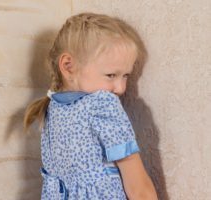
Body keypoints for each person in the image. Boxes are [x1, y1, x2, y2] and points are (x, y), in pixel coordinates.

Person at [23, 12, 158, 200]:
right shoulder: (101, 105)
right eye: (111, 75)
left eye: (126, 75)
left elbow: (137, 184)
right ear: (68, 66)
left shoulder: (52, 109)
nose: (121, 88)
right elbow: (138, 188)